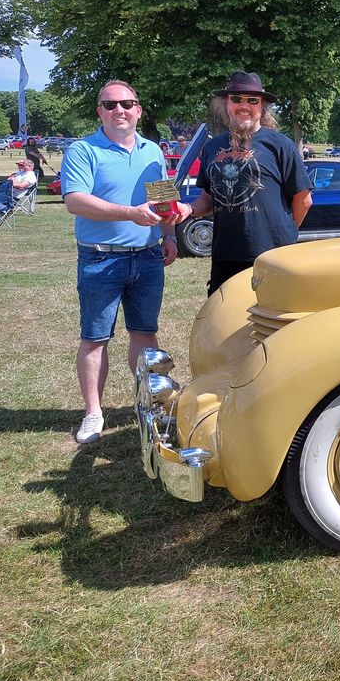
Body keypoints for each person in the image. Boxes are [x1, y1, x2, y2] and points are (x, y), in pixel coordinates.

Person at [59, 79, 184, 445]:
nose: (119, 111)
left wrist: (170, 235)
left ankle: (150, 404)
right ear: (99, 110)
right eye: (110, 104)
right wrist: (130, 213)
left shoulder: (153, 151)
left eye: (127, 104)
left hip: (147, 258)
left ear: (138, 110)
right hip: (100, 260)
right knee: (95, 339)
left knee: (145, 335)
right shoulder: (84, 150)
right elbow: (75, 201)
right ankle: (94, 413)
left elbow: (162, 198)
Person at [182, 71, 312, 296]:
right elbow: (208, 197)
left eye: (253, 100)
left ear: (262, 106)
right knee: (225, 322)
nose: (244, 105)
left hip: (272, 256)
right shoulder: (213, 148)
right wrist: (188, 209)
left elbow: (304, 199)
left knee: (271, 324)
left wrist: (285, 233)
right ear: (226, 103)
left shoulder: (280, 145)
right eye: (236, 99)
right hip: (225, 254)